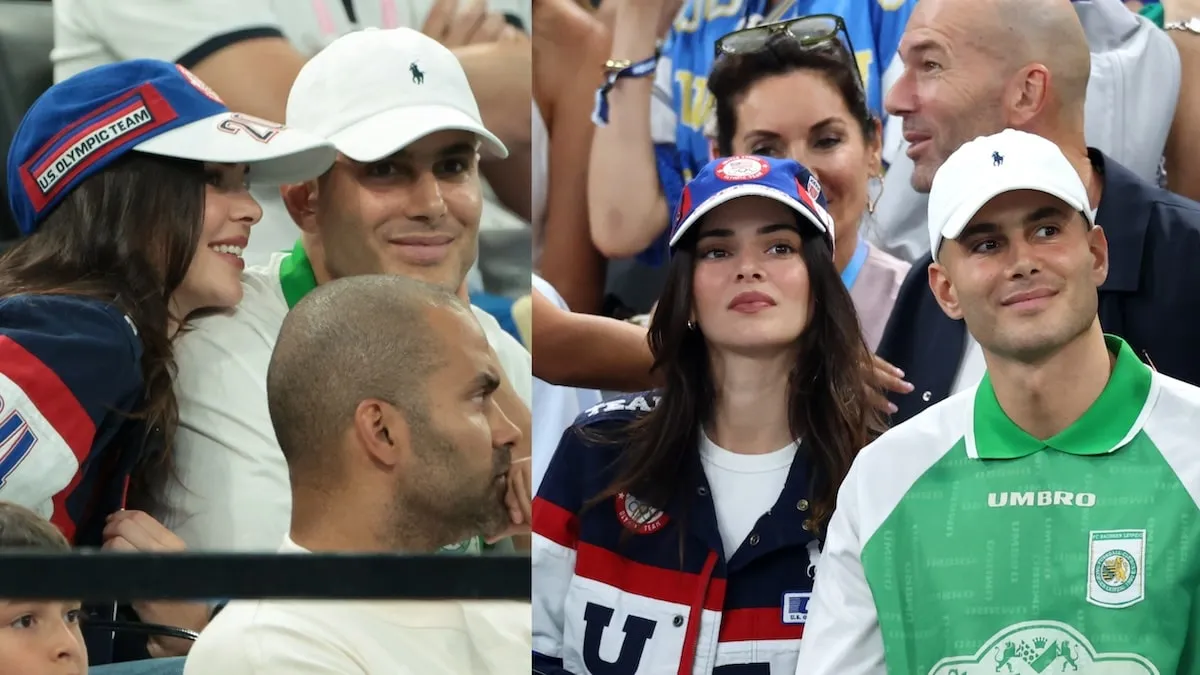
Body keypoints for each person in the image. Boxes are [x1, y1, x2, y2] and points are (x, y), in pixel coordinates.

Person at [797, 129, 1200, 674]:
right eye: (987, 244)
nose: (1023, 261)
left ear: (1097, 254)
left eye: (1047, 229)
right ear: (945, 291)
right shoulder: (884, 480)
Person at [0, 59, 334, 664]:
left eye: (245, 180)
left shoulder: (94, 337)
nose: (252, 209)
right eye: (214, 179)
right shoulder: (84, 339)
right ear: (122, 196)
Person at [155, 27, 533, 554]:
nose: (433, 205)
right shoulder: (225, 353)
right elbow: (271, 608)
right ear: (304, 201)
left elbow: (553, 612)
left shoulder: (505, 361)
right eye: (386, 169)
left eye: (452, 166)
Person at [532, 155, 883, 674]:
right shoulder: (595, 450)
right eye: (717, 250)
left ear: (818, 283)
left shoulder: (880, 476)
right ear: (685, 292)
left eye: (779, 246)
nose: (748, 267)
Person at [182, 275, 530, 675]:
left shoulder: (501, 615)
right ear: (381, 431)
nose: (510, 432)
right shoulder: (268, 650)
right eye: (478, 399)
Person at [876, 0, 1200, 424]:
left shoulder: (1189, 260)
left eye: (931, 65)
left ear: (1027, 92)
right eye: (989, 245)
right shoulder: (927, 283)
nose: (895, 99)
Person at [707, 25, 911, 352]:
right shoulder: (696, 318)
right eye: (765, 150)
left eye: (827, 141)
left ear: (873, 146)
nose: (802, 173)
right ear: (721, 163)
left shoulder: (925, 314)